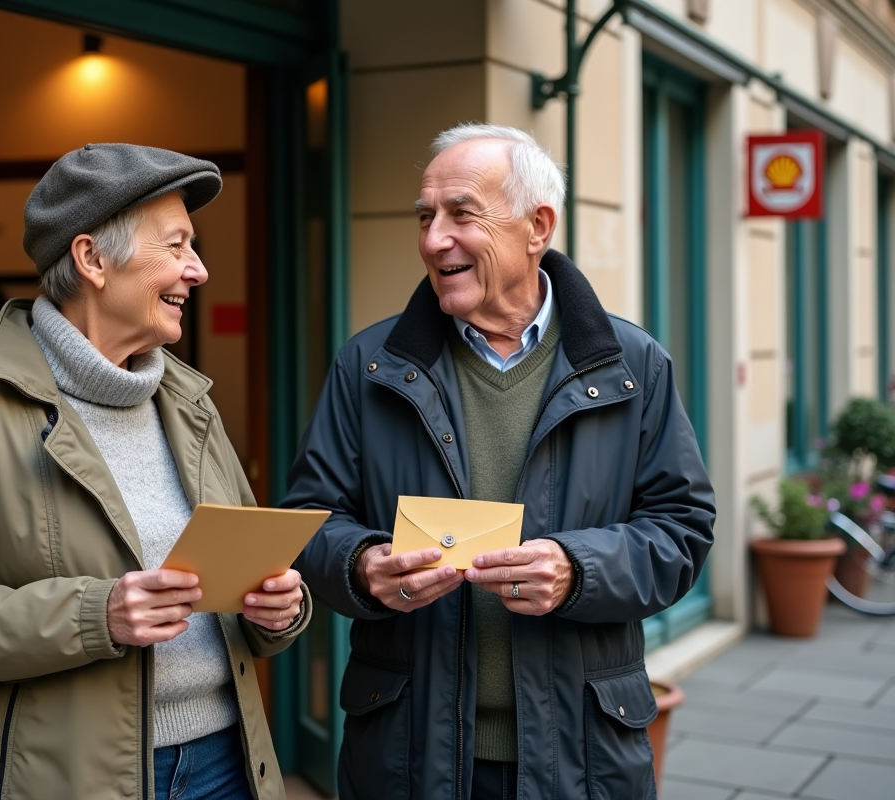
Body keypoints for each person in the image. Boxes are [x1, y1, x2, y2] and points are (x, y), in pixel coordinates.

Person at [286, 124, 715, 800]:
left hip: (582, 755)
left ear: (537, 226)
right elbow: (309, 521)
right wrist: (363, 565)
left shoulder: (633, 366)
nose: (433, 239)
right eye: (426, 217)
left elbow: (682, 529)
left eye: (461, 213)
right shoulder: (367, 366)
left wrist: (578, 570)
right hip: (407, 755)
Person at [0, 144, 309, 800]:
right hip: (64, 780)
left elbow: (235, 603)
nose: (199, 269)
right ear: (92, 260)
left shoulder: (192, 406)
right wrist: (95, 614)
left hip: (227, 763)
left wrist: (275, 612)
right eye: (177, 246)